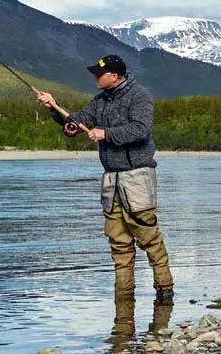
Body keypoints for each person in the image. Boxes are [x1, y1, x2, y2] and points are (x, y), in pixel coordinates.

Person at [36, 54, 175, 305]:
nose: (95, 77)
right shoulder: (101, 100)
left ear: (115, 75)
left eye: (99, 74)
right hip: (112, 180)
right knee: (118, 243)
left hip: (137, 176)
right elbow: (77, 123)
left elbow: (140, 130)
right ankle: (124, 300)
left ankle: (165, 292)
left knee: (148, 237)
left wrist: (105, 133)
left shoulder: (140, 95)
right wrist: (54, 109)